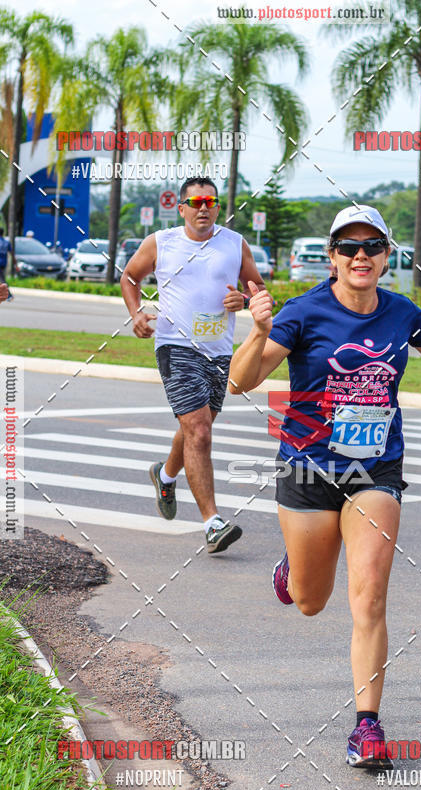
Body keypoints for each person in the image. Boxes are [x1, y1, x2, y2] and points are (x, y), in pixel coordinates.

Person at [229, 205, 421, 768]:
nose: (361, 256)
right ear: (332, 257)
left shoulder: (401, 312)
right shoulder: (302, 312)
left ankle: (367, 727)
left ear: (386, 257)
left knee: (371, 594)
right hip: (308, 469)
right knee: (311, 602)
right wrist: (258, 333)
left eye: (372, 247)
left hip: (375, 471)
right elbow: (240, 382)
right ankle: (293, 568)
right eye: (348, 248)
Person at [121, 176, 267, 553]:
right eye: (196, 202)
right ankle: (212, 523)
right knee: (199, 431)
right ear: (182, 208)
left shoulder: (235, 244)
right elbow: (130, 277)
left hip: (219, 353)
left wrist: (244, 300)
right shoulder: (162, 242)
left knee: (195, 429)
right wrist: (136, 313)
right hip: (175, 346)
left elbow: (260, 291)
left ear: (218, 207)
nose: (204, 208)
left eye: (211, 202)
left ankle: (165, 475)